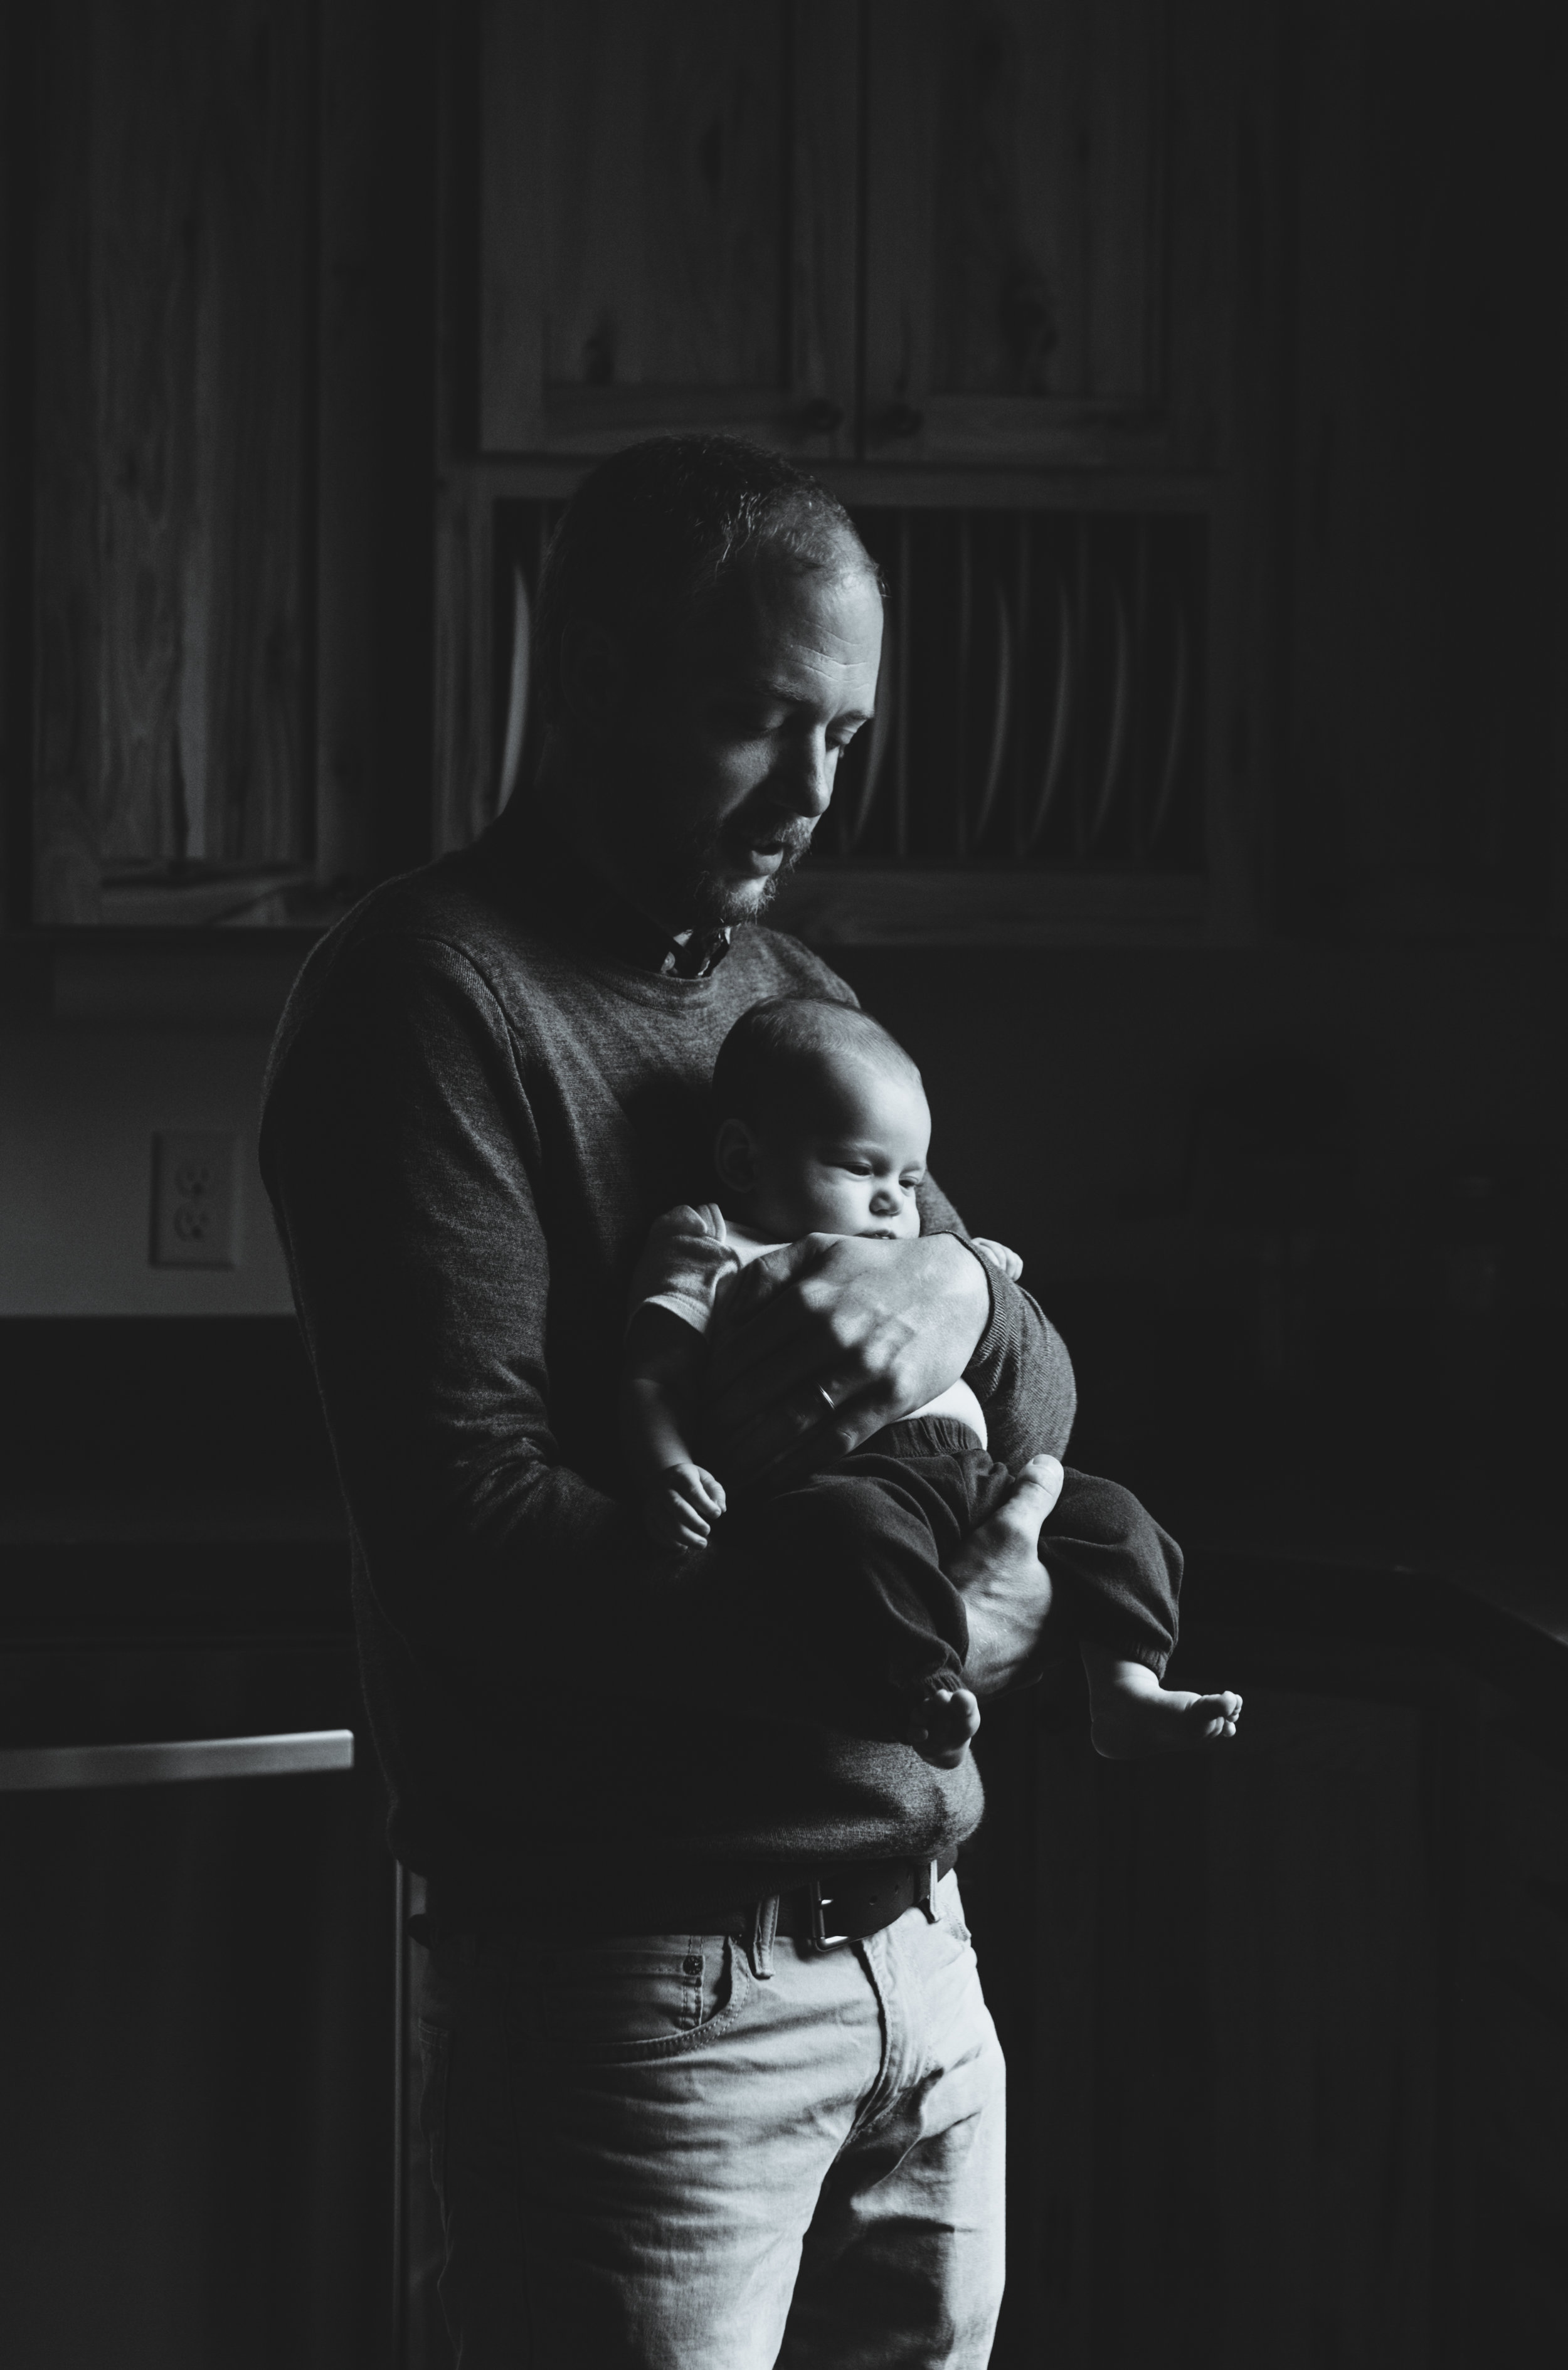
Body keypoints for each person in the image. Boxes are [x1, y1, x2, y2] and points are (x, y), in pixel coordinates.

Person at [260, 435, 1074, 2368]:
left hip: (918, 1958)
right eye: (752, 717)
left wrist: (959, 1279)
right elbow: (480, 1541)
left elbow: (1031, 1380)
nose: (807, 789)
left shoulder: (792, 991)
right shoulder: (427, 997)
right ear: (592, 674)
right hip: (641, 1997)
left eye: (842, 736)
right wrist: (922, 1647)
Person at [623, 992, 1241, 1767]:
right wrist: (669, 1469)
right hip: (858, 1480)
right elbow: (654, 1376)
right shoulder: (713, 1241)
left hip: (976, 1472)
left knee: (1114, 1516)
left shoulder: (911, 1242)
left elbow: (1020, 1348)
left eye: (911, 1180)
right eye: (859, 1168)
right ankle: (925, 1690)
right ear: (746, 1160)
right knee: (848, 1536)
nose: (895, 1202)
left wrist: (977, 1274)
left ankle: (1122, 1688)